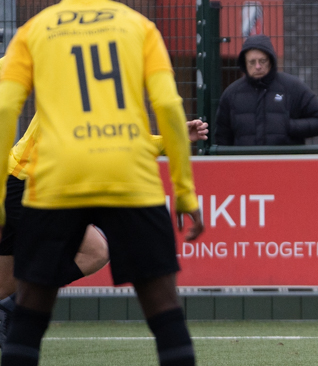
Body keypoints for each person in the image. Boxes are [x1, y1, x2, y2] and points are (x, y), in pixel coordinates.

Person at [0, 0, 214, 366]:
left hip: (57, 175)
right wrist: (185, 193)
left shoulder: (35, 30)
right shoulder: (137, 27)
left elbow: (4, 108)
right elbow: (168, 106)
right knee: (164, 309)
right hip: (127, 172)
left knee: (28, 314)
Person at [0, 111, 209, 346]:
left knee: (4, 287)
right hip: (27, 185)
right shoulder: (71, 86)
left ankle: (11, 307)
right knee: (95, 252)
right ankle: (15, 307)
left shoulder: (102, 94)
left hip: (32, 186)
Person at [214, 34, 318, 146]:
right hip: (246, 164)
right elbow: (222, 137)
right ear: (244, 63)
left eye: (262, 61)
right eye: (252, 62)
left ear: (271, 60)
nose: (258, 66)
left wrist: (288, 126)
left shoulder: (292, 87)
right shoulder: (232, 94)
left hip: (285, 163)